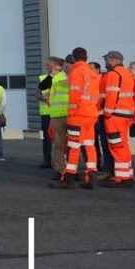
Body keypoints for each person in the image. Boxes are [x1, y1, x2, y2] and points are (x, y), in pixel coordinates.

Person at [53, 47, 101, 190]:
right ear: (87, 57)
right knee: (89, 146)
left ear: (74, 58)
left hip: (78, 115)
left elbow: (74, 95)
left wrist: (72, 113)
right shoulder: (92, 73)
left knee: (73, 146)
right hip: (91, 114)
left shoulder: (76, 72)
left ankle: (68, 178)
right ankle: (91, 177)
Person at [99, 50, 135, 187]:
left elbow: (111, 96)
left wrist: (107, 113)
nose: (105, 62)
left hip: (115, 116)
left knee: (116, 146)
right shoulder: (127, 74)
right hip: (126, 114)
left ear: (111, 59)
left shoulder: (113, 74)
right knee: (123, 145)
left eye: (106, 59)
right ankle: (127, 174)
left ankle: (122, 178)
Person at [45, 56, 71, 178]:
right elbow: (48, 94)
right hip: (58, 115)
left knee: (73, 145)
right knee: (58, 144)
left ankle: (72, 170)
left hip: (72, 115)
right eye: (67, 63)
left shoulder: (78, 77)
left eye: (71, 63)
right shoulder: (56, 77)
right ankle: (60, 170)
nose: (68, 65)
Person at [90, 60, 111, 179]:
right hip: (91, 115)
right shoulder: (89, 81)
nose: (90, 71)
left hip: (101, 115)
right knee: (93, 142)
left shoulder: (103, 80)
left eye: (92, 68)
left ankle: (106, 166)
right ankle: (96, 163)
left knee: (104, 142)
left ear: (98, 70)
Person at [37, 60, 56, 169]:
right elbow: (37, 93)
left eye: (49, 65)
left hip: (60, 113)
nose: (47, 67)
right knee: (47, 138)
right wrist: (43, 98)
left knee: (61, 139)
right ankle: (47, 160)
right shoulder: (43, 78)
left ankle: (62, 162)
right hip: (46, 113)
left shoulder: (63, 78)